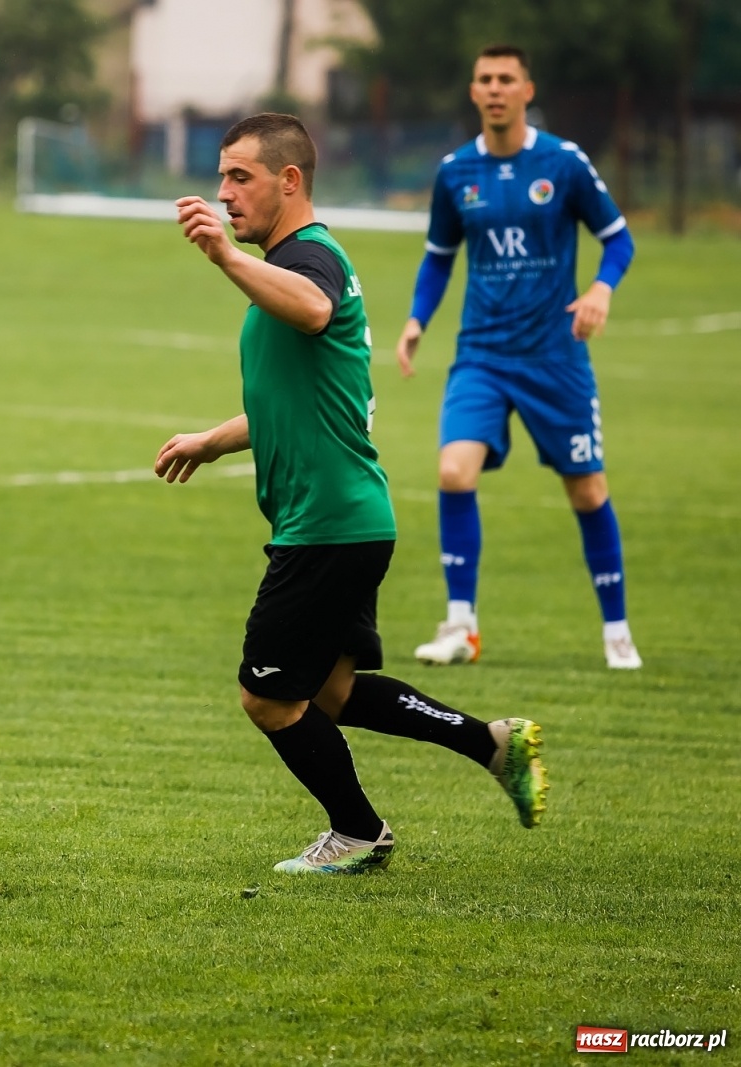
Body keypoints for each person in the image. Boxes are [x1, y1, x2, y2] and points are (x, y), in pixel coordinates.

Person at [155, 114, 547, 874]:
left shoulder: (310, 260)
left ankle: (360, 831)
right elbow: (300, 397)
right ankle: (491, 744)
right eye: (221, 177)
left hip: (327, 525)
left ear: (289, 180)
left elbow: (312, 307)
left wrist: (224, 255)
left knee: (266, 696)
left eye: (241, 176)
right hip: (342, 518)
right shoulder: (294, 261)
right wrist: (213, 439)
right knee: (331, 690)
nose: (225, 192)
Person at [395, 44, 639, 670]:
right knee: (453, 472)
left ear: (527, 89)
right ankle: (460, 625)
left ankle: (616, 631)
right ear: (473, 92)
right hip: (481, 353)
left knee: (586, 490)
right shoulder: (455, 173)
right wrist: (418, 320)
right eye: (485, 79)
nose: (495, 88)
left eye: (507, 79)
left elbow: (617, 240)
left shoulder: (563, 163)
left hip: (555, 356)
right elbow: (439, 255)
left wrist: (600, 291)